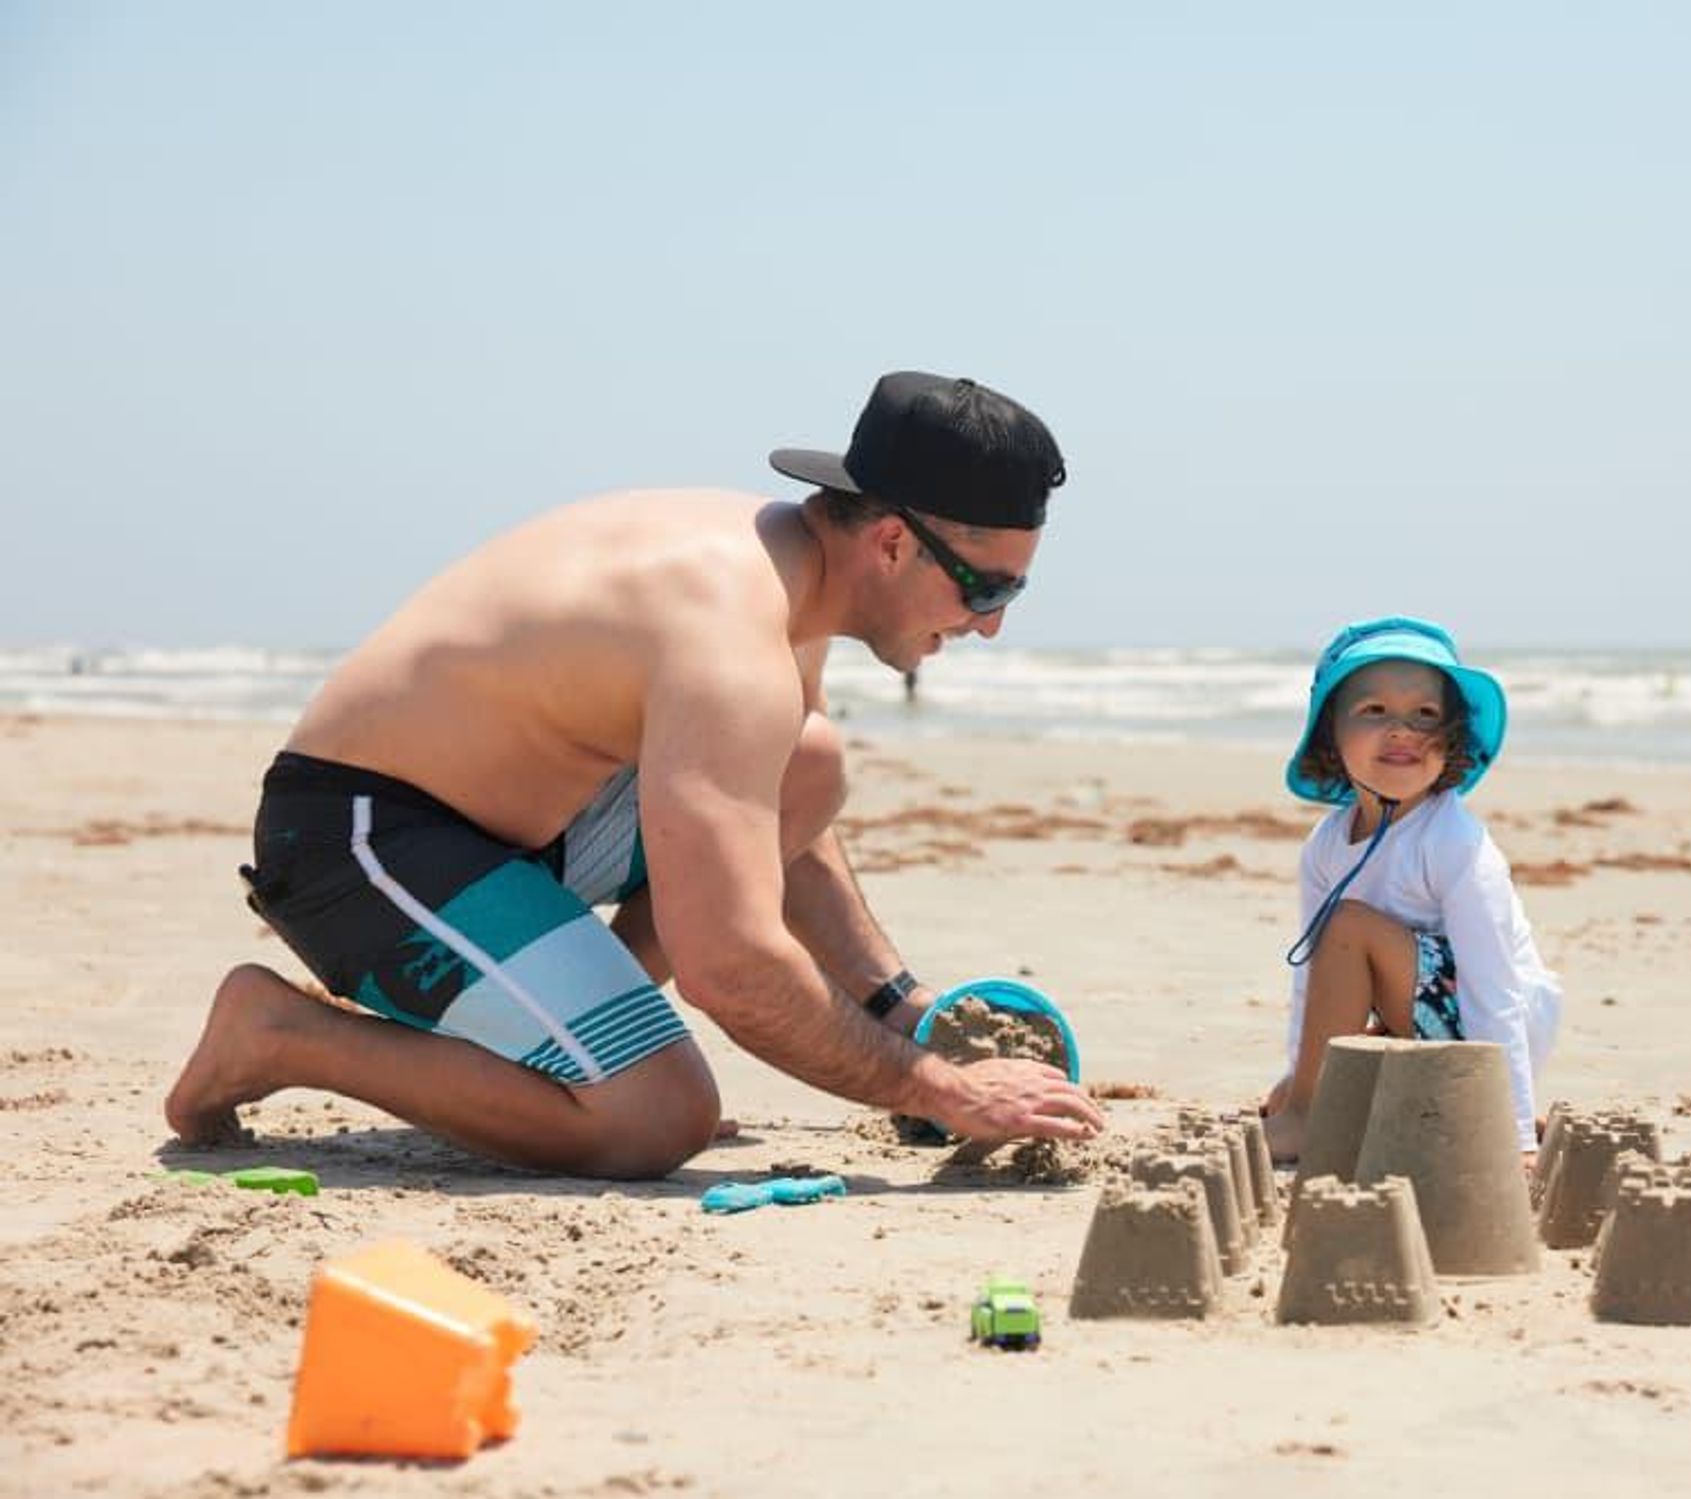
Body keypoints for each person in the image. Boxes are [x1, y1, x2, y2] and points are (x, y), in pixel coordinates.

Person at [165, 371, 1104, 1178]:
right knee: (658, 1115)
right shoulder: (727, 641)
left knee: (806, 762)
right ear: (893, 542)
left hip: (507, 833)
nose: (992, 624)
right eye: (987, 588)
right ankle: (280, 1032)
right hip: (358, 844)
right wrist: (933, 1084)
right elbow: (730, 965)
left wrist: (902, 1011)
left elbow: (782, 821)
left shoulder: (789, 576)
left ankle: (590, 1044)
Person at [1258, 617, 1561, 1169]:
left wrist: (1512, 1133)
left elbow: (1494, 986)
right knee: (1285, 1093)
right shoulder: (1326, 846)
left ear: (1453, 740)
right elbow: (1313, 976)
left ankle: (1495, 1112)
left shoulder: (1454, 841)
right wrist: (1298, 1083)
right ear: (1331, 734)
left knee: (1349, 925)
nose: (1401, 729)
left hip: (1494, 1022)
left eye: (1424, 714)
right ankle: (1307, 1109)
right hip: (1418, 1015)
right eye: (1373, 711)